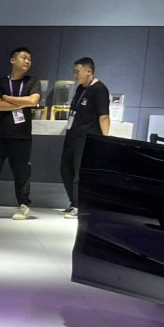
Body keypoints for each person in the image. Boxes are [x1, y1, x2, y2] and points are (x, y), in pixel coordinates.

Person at [0, 46, 41, 221]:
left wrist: (8, 98)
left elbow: (34, 101)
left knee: (21, 172)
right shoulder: (0, 82)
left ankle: (24, 206)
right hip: (0, 134)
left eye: (29, 59)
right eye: (23, 57)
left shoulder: (32, 82)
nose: (27, 61)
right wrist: (23, 103)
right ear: (13, 60)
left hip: (21, 136)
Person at [61, 56, 111, 219]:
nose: (74, 75)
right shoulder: (80, 88)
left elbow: (104, 116)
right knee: (65, 170)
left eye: (77, 72)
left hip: (86, 139)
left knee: (79, 174)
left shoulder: (99, 89)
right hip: (72, 136)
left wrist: (104, 140)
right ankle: (72, 202)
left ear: (88, 71)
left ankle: (79, 205)